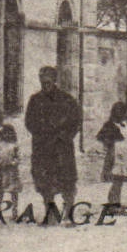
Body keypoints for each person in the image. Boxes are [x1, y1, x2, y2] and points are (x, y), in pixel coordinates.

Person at [24, 66, 81, 221]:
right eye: (43, 80)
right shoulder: (35, 100)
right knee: (44, 181)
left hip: (62, 147)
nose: (45, 83)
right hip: (42, 147)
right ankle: (51, 214)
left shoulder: (67, 99)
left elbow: (76, 122)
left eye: (48, 80)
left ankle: (68, 214)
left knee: (67, 180)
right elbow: (29, 122)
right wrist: (41, 133)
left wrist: (65, 136)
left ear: (55, 80)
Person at [97, 100, 127, 210]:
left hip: (125, 152)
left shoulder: (125, 124)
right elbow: (100, 137)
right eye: (118, 111)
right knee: (116, 177)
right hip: (115, 152)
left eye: (122, 111)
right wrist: (110, 142)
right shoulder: (109, 125)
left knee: (120, 179)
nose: (121, 114)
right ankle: (112, 203)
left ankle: (116, 202)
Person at [0, 121, 22, 211]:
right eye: (5, 133)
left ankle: (15, 210)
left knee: (14, 191)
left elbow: (18, 157)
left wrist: (14, 162)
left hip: (12, 172)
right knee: (0, 191)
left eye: (9, 133)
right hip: (1, 171)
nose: (7, 135)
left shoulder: (14, 145)